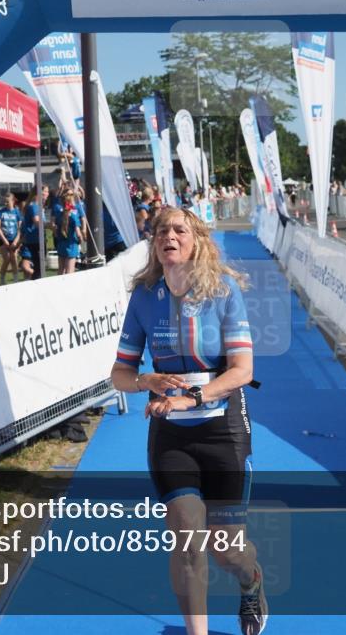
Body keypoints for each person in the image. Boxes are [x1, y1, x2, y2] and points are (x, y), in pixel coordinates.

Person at [109, 207, 266, 635]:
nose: (169, 236)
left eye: (179, 229)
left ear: (196, 239)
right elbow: (118, 375)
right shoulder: (144, 297)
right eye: (161, 230)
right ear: (154, 243)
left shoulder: (223, 291)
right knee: (187, 540)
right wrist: (147, 380)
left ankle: (251, 581)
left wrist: (191, 397)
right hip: (171, 437)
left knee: (226, 550)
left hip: (223, 429)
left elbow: (242, 371)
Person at [19, 185, 47, 280]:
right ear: (39, 193)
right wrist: (50, 225)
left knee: (38, 267)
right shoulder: (34, 206)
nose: (47, 194)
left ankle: (33, 282)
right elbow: (37, 222)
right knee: (38, 268)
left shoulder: (37, 206)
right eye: (45, 192)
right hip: (35, 240)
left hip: (35, 239)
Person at [0, 192, 22, 284]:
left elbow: (20, 228)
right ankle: (2, 279)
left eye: (7, 201)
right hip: (3, 239)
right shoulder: (0, 212)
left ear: (13, 201)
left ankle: (15, 279)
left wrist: (16, 241)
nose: (5, 203)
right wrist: (4, 240)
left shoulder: (17, 212)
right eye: (4, 202)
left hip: (14, 239)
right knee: (7, 258)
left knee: (14, 258)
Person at [54, 187, 83, 275]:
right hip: (72, 245)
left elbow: (55, 231)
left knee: (61, 270)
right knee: (70, 272)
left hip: (61, 244)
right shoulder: (74, 216)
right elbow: (78, 233)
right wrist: (81, 240)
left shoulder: (59, 215)